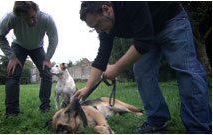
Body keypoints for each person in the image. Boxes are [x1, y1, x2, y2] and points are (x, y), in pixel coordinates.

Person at [74, 1, 212, 134]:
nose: (98, 30)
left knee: (186, 70)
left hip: (170, 20)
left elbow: (143, 42)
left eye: (97, 24)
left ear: (106, 9)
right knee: (142, 72)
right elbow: (102, 57)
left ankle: (199, 127)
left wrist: (116, 68)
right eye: (94, 28)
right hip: (147, 33)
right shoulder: (105, 27)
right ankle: (157, 119)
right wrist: (88, 87)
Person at [0, 1, 58, 116]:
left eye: (33, 17)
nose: (31, 21)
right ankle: (12, 111)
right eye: (27, 19)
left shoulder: (46, 18)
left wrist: (47, 59)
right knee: (13, 74)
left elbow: (54, 39)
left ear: (37, 11)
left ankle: (45, 107)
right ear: (19, 17)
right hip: (19, 46)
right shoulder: (11, 17)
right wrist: (11, 56)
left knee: (47, 73)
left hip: (37, 47)